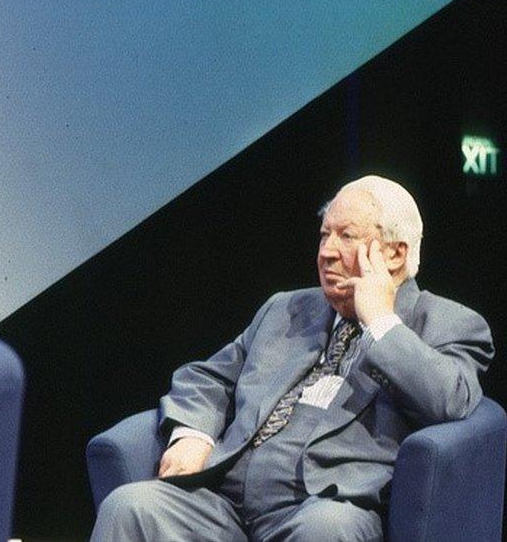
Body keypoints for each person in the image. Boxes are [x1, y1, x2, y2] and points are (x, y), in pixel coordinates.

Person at [91, 175, 494, 541]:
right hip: (225, 506)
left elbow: (450, 399)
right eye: (324, 236)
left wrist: (381, 322)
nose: (327, 253)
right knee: (130, 507)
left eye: (346, 237)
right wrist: (192, 435)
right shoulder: (285, 309)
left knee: (327, 531)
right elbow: (209, 377)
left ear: (394, 254)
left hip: (322, 508)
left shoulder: (447, 323)